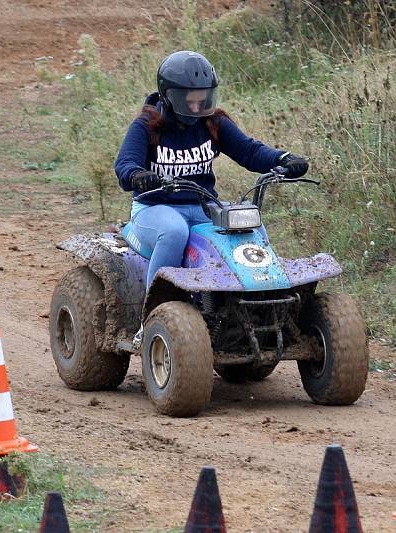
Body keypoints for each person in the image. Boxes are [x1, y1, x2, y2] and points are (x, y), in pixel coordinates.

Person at [114, 51, 308, 345]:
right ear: (168, 96)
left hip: (203, 205)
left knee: (249, 227)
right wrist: (139, 175)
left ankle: (263, 312)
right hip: (155, 208)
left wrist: (283, 158)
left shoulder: (212, 123)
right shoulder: (146, 126)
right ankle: (151, 319)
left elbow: (250, 152)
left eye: (203, 98)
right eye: (188, 99)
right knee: (174, 231)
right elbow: (124, 166)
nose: (196, 106)